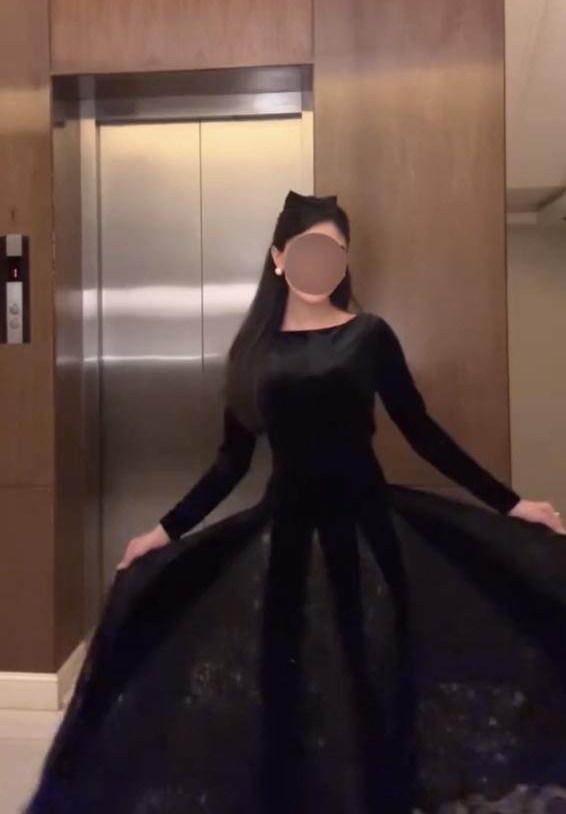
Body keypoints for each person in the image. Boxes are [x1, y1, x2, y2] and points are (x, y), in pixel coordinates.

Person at [28, 191, 566, 814]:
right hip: (285, 541)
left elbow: (423, 433)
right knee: (285, 689)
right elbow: (230, 464)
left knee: (371, 679)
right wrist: (163, 531)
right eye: (309, 249)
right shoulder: (253, 353)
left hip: (370, 539)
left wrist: (510, 505)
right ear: (279, 258)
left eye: (334, 250)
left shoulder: (369, 335)